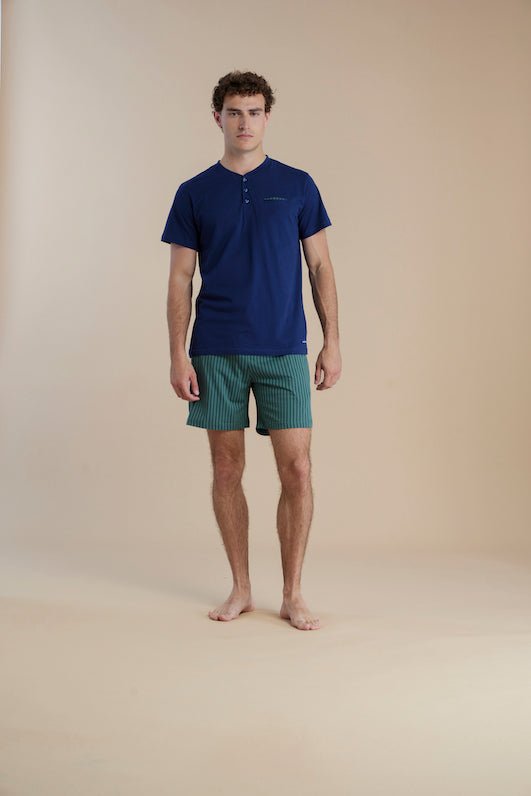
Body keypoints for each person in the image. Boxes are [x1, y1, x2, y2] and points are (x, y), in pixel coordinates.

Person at [161, 70, 341, 630]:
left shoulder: (298, 184)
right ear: (218, 117)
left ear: (267, 117)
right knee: (226, 468)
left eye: (255, 112)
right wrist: (177, 354)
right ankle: (240, 587)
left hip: (284, 347)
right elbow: (180, 278)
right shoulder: (194, 192)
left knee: (299, 469)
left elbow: (320, 266)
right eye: (235, 112)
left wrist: (333, 341)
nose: (245, 123)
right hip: (216, 349)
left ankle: (292, 593)